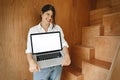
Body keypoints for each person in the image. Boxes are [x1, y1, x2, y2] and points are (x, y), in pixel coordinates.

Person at [25, 4, 71, 80]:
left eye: (52, 16)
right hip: (40, 67)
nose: (50, 18)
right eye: (48, 14)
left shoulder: (57, 28)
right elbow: (29, 50)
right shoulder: (33, 30)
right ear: (42, 13)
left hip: (57, 65)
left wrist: (67, 55)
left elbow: (63, 44)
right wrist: (31, 61)